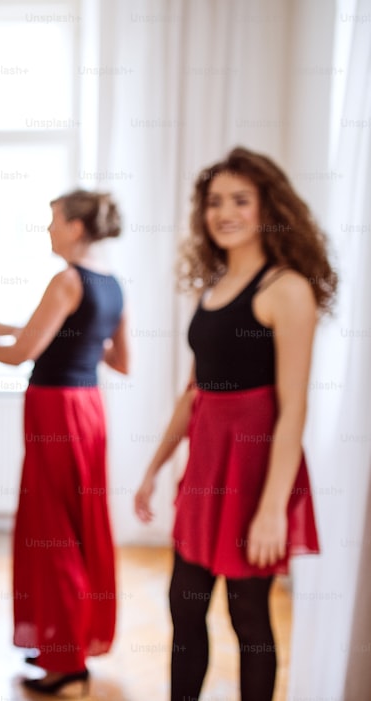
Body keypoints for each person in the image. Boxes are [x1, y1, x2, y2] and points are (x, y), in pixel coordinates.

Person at [134, 146, 336, 701]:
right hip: (204, 469)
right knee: (185, 611)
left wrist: (273, 509)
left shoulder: (286, 290)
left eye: (240, 200)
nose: (224, 212)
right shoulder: (214, 285)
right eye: (214, 201)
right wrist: (154, 468)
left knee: (249, 620)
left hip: (253, 474)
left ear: (268, 206)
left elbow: (294, 406)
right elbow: (194, 392)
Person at [0, 190, 129, 694]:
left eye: (53, 221)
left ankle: (66, 661)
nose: (48, 230)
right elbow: (121, 360)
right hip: (88, 410)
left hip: (55, 411)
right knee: (77, 525)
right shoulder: (112, 284)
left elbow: (22, 352)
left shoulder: (66, 280)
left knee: (54, 530)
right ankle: (68, 644)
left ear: (77, 228)